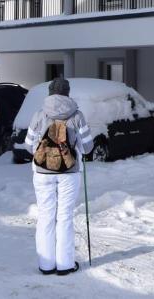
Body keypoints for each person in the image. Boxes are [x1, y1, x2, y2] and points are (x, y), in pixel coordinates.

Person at [22, 77, 94, 276]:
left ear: (50, 93)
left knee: (45, 216)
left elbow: (28, 146)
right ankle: (65, 264)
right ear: (67, 93)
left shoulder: (39, 114)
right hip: (69, 172)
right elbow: (88, 147)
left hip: (42, 173)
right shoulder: (77, 115)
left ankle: (46, 265)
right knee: (64, 217)